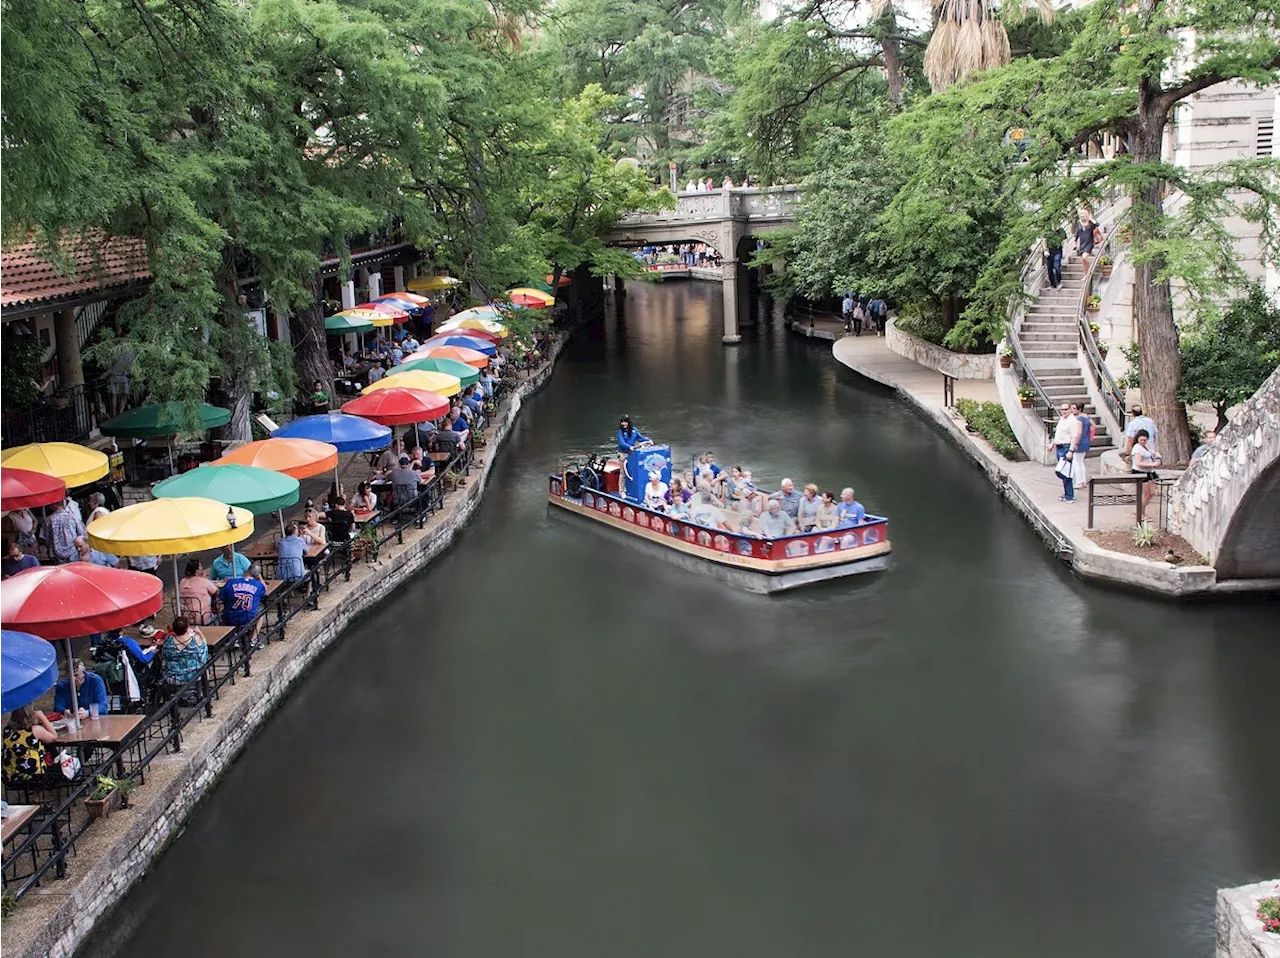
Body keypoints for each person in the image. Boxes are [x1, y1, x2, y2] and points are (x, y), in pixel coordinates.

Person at [2, 705, 60, 786]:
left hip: (10, 777)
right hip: (35, 778)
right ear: (30, 713)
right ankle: (38, 794)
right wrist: (42, 717)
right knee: (58, 761)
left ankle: (36, 795)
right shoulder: (35, 730)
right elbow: (54, 737)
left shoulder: (7, 730)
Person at [221, 564, 268, 649]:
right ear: (257, 575)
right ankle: (254, 639)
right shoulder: (258, 585)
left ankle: (234, 637)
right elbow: (265, 590)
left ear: (246, 571)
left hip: (229, 617)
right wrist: (259, 577)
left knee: (227, 607)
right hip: (248, 616)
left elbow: (221, 598)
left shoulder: (231, 582)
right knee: (261, 609)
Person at [159, 617, 208, 688]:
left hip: (172, 677)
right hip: (193, 676)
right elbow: (204, 654)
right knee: (205, 667)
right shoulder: (195, 640)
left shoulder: (168, 641)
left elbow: (164, 655)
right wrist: (200, 633)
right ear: (187, 628)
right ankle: (205, 692)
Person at [1047, 403, 1082, 502]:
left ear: (1070, 409)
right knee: (1064, 472)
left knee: (1064, 472)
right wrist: (1052, 444)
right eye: (1062, 409)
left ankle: (1069, 496)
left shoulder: (1072, 421)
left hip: (1066, 447)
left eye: (1066, 409)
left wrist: (1071, 451)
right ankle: (1068, 493)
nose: (1064, 411)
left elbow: (1074, 437)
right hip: (1059, 447)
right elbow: (1058, 433)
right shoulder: (1062, 419)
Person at [178, 558, 220, 624]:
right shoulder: (204, 581)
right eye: (200, 567)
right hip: (202, 617)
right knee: (220, 615)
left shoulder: (182, 581)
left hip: (185, 617)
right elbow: (216, 592)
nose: (202, 568)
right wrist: (205, 578)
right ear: (196, 570)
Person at [1130, 429, 1162, 510]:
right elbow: (1138, 463)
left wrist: (1156, 455)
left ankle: (1141, 509)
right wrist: (1152, 464)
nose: (1143, 441)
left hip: (1149, 471)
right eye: (1141, 440)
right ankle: (1140, 512)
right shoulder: (1137, 448)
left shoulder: (1147, 445)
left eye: (1145, 440)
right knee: (1146, 494)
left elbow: (1152, 453)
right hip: (1140, 472)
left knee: (1152, 492)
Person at [48, 498, 84, 564]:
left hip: (58, 553)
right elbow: (81, 533)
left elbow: (47, 538)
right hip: (74, 551)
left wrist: (49, 553)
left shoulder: (49, 520)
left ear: (54, 505)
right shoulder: (73, 516)